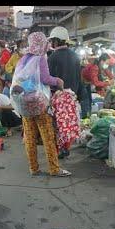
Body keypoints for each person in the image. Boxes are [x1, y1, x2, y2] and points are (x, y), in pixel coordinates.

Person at [12, 31, 70, 177]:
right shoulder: (40, 58)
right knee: (48, 136)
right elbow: (45, 78)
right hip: (38, 103)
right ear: (42, 43)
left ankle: (34, 168)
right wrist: (58, 81)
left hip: (24, 103)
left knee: (30, 137)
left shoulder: (23, 59)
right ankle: (54, 169)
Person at [47, 27, 82, 157]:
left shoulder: (53, 57)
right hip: (72, 95)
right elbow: (79, 77)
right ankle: (66, 148)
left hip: (58, 96)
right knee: (68, 123)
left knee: (57, 124)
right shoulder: (75, 55)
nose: (51, 44)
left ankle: (58, 150)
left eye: (52, 41)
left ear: (56, 41)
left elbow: (49, 78)